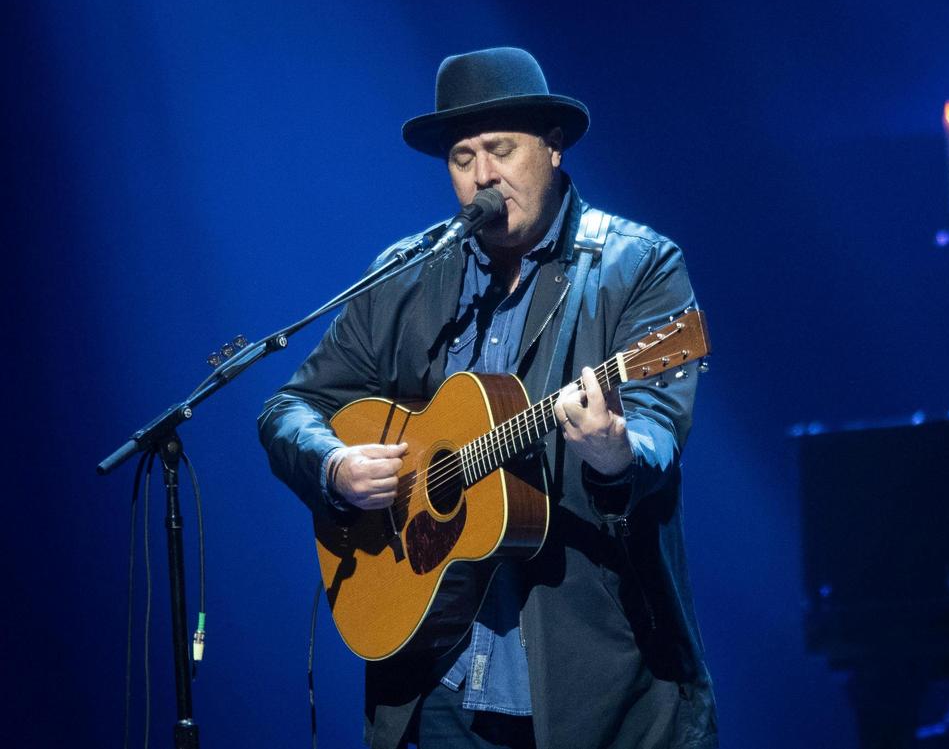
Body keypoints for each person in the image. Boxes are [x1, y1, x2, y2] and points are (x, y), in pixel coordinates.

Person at [258, 47, 717, 749]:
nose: (483, 177)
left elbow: (655, 432)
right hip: (438, 689)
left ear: (553, 147)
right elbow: (291, 408)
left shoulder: (637, 265)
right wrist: (335, 468)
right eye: (462, 157)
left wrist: (614, 453)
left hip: (599, 690)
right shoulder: (406, 277)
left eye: (500, 149)